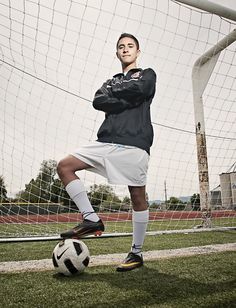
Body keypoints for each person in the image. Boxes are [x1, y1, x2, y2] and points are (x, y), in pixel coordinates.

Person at [57, 33, 156, 272]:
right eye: (121, 47)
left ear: (138, 52)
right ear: (117, 53)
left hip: (134, 144)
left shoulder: (147, 73)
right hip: (106, 142)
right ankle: (91, 219)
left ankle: (136, 253)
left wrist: (119, 96)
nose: (125, 49)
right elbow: (98, 100)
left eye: (130, 46)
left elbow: (142, 88)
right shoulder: (110, 81)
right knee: (64, 166)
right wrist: (126, 99)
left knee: (137, 198)